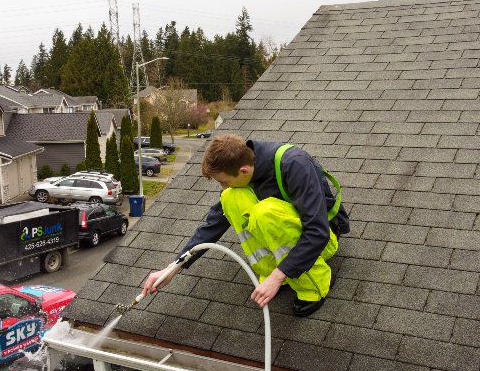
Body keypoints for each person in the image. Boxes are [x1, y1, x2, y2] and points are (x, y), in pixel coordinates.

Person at [142, 134, 349, 317]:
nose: (223, 186)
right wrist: (173, 268)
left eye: (224, 181)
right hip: (291, 234)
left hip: (323, 237)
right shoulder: (245, 168)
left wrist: (276, 278)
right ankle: (279, 273)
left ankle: (316, 284)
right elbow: (212, 225)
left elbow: (317, 232)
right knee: (230, 198)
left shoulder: (294, 165)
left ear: (243, 170)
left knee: (264, 212)